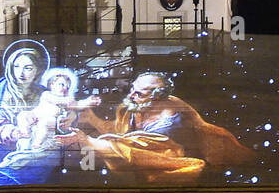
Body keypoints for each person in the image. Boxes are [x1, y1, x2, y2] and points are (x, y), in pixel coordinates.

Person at [74, 72, 256, 182]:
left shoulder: (175, 106)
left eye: (139, 93)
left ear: (156, 95)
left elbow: (203, 128)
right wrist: (92, 119)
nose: (132, 95)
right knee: (120, 146)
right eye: (132, 89)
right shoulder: (129, 108)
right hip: (142, 160)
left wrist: (220, 155)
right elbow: (118, 131)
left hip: (171, 156)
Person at [0, 40, 77, 187]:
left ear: (38, 70)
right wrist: (16, 133)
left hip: (32, 154)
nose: (21, 73)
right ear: (10, 67)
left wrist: (71, 117)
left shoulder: (42, 92)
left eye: (28, 68)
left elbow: (64, 112)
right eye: (16, 66)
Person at [2, 68, 101, 164]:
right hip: (36, 115)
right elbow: (58, 101)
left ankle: (37, 143)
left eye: (67, 87)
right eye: (61, 84)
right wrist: (68, 101)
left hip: (49, 120)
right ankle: (25, 133)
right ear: (52, 84)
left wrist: (88, 102)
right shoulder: (47, 95)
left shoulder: (68, 99)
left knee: (45, 124)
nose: (64, 88)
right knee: (23, 115)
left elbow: (77, 105)